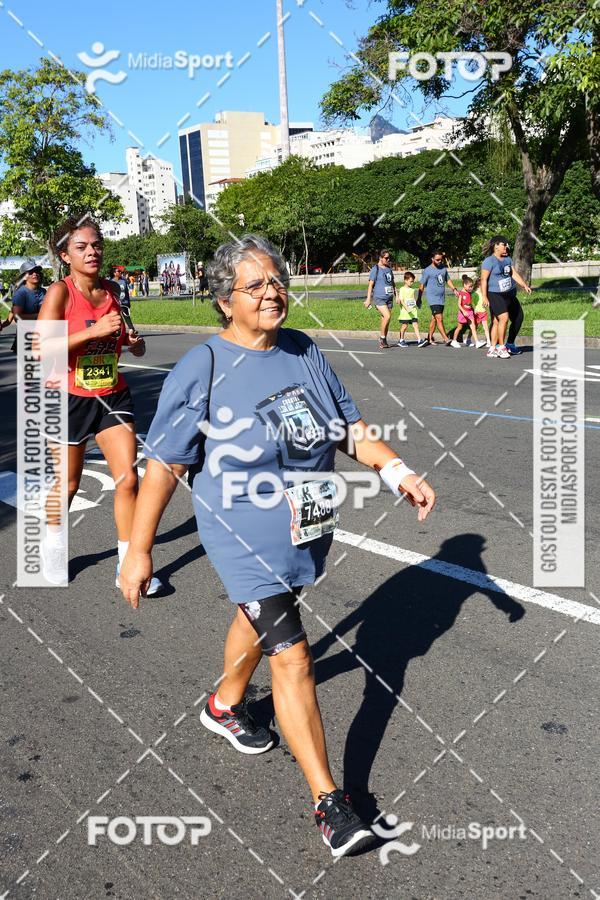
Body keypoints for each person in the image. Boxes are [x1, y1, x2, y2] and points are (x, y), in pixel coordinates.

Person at [119, 234, 436, 858]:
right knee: (291, 656)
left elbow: (348, 426)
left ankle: (225, 702)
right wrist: (138, 548)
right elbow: (163, 466)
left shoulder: (303, 350)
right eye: (255, 285)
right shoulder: (203, 367)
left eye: (277, 282)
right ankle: (330, 802)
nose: (272, 293)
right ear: (222, 300)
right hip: (239, 527)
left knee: (263, 612)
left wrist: (397, 472)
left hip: (304, 524)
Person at [36, 216, 162, 595]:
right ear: (65, 255)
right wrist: (91, 331)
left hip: (112, 393)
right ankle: (53, 550)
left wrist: (133, 345)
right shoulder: (60, 292)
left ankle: (128, 566)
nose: (92, 252)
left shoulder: (112, 290)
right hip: (68, 396)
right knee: (69, 483)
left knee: (128, 479)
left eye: (96, 245)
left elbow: (119, 335)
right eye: (82, 247)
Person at [480, 236, 531, 359]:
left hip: (509, 293)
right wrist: (485, 297)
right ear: (496, 246)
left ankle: (495, 348)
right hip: (495, 294)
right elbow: (483, 280)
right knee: (503, 318)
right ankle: (501, 347)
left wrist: (524, 285)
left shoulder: (507, 259)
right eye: (504, 244)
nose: (506, 246)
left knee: (517, 317)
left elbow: (513, 273)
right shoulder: (489, 261)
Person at [0, 259, 46, 351]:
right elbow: (17, 317)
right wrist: (40, 316)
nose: (35, 274)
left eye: (37, 271)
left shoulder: (43, 291)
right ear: (24, 277)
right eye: (31, 272)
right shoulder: (21, 293)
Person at [417, 250, 459, 347]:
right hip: (432, 299)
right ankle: (446, 339)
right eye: (437, 260)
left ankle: (429, 338)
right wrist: (419, 298)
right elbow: (422, 285)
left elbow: (448, 280)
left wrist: (454, 289)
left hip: (441, 298)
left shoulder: (443, 268)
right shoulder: (427, 270)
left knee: (434, 319)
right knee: (439, 318)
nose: (440, 261)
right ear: (432, 259)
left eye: (441, 259)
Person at [363, 249, 396, 350]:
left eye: (389, 257)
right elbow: (370, 285)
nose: (388, 259)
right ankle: (382, 338)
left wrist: (397, 295)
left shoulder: (388, 269)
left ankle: (384, 340)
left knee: (385, 320)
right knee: (387, 316)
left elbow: (392, 283)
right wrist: (368, 299)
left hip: (389, 298)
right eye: (386, 258)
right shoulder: (375, 269)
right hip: (379, 298)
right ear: (380, 258)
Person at [450, 276, 486, 349]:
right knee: (459, 327)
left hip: (470, 313)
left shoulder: (469, 293)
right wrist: (463, 311)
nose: (471, 288)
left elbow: (470, 303)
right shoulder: (461, 293)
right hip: (463, 313)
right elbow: (459, 305)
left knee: (473, 327)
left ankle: (477, 342)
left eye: (472, 286)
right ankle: (454, 341)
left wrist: (474, 309)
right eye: (470, 286)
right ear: (464, 285)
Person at [396, 271, 426, 347]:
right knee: (404, 326)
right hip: (405, 312)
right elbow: (401, 300)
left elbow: (412, 300)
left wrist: (417, 304)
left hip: (413, 311)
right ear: (405, 280)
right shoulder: (402, 289)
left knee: (415, 325)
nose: (412, 283)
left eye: (413, 281)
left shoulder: (412, 290)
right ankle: (401, 340)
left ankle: (419, 340)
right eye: (411, 281)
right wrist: (406, 308)